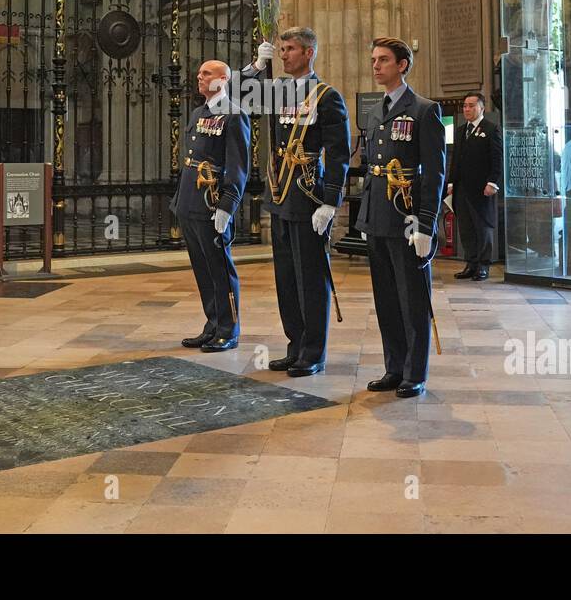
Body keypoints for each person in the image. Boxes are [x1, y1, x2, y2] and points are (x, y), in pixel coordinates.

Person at [243, 28, 350, 377]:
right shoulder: (279, 92)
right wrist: (256, 66)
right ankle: (295, 345)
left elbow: (338, 155)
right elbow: (232, 97)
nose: (284, 55)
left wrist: (330, 203)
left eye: (289, 49)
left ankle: (314, 351)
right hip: (281, 197)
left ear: (308, 53)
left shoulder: (326, 96)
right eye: (282, 49)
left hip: (308, 196)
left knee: (310, 280)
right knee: (286, 279)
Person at [355, 37, 446, 398]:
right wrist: (366, 217)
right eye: (374, 59)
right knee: (386, 299)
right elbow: (372, 169)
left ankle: (414, 372)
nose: (376, 66)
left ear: (403, 64)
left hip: (407, 220)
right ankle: (394, 367)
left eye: (384, 60)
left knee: (411, 299)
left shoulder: (424, 109)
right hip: (378, 218)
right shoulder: (377, 110)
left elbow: (435, 172)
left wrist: (426, 223)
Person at [172, 60, 251, 352]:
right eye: (199, 72)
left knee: (219, 268)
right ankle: (212, 324)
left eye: (206, 73)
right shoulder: (198, 112)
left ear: (223, 79)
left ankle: (228, 328)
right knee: (202, 268)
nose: (199, 77)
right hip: (190, 200)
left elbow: (237, 167)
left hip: (212, 202)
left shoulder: (234, 115)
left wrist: (227, 207)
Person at [447, 91, 502, 281]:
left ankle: (483, 266)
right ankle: (470, 263)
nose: (467, 109)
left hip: (482, 189)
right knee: (466, 228)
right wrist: (451, 182)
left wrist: (493, 182)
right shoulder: (461, 130)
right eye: (465, 106)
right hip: (462, 189)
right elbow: (455, 160)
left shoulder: (491, 128)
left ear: (482, 108)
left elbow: (497, 159)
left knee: (482, 227)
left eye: (471, 105)